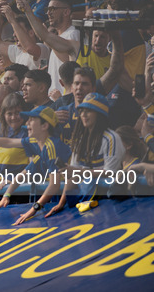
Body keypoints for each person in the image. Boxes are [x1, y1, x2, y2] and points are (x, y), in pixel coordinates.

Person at [11, 93, 125, 225]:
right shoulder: (80, 140)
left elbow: (111, 173)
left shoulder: (111, 138)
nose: (84, 114)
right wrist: (61, 202)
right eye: (82, 111)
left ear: (100, 114)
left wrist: (79, 171)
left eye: (89, 111)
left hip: (111, 202)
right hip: (88, 202)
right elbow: (72, 176)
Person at [0, 105, 71, 212]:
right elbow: (9, 143)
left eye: (32, 119)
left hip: (69, 193)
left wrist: (33, 210)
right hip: (59, 194)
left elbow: (54, 184)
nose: (27, 122)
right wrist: (7, 195)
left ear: (44, 126)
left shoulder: (52, 146)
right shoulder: (36, 144)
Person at [16, 0, 80, 95]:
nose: (48, 13)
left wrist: (28, 10)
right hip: (55, 97)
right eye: (47, 10)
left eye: (52, 9)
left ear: (66, 12)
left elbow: (67, 61)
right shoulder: (60, 37)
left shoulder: (72, 34)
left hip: (64, 97)